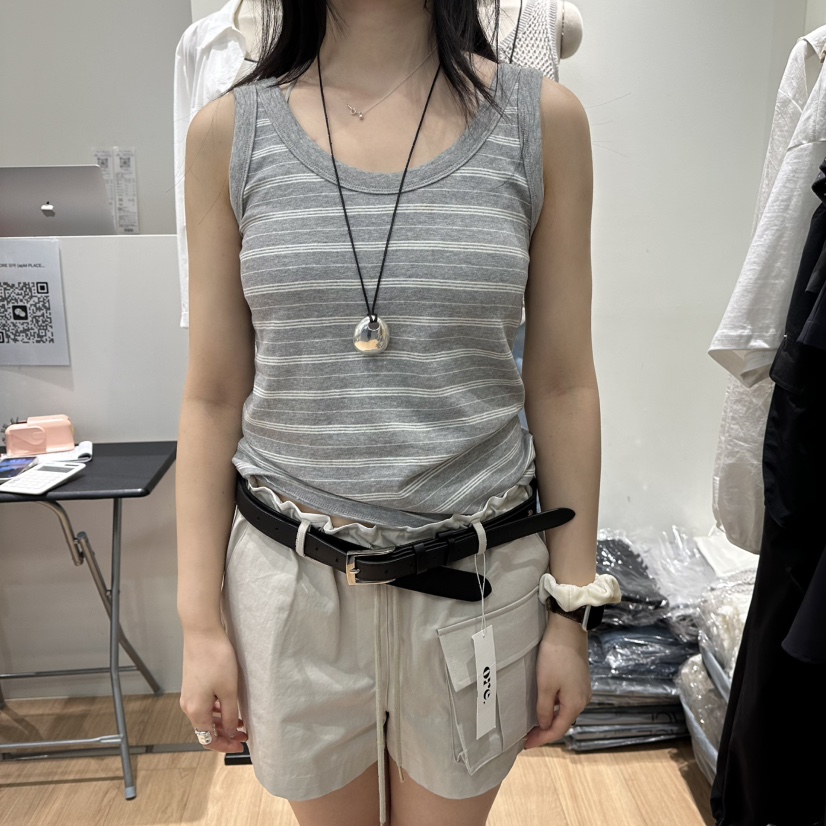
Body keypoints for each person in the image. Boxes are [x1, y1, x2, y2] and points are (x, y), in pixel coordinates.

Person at [176, 1, 609, 824]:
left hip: (479, 578)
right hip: (292, 580)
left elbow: (562, 385)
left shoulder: (543, 122)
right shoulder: (227, 135)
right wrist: (200, 622)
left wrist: (572, 613)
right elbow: (212, 396)